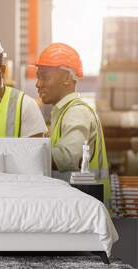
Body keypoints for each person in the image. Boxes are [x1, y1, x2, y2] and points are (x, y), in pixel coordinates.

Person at [35, 42, 110, 202]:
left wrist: (27, 151)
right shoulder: (63, 112)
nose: (38, 84)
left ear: (67, 78)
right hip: (81, 205)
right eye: (38, 77)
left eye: (45, 77)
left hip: (88, 208)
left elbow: (67, 158)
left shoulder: (77, 112)